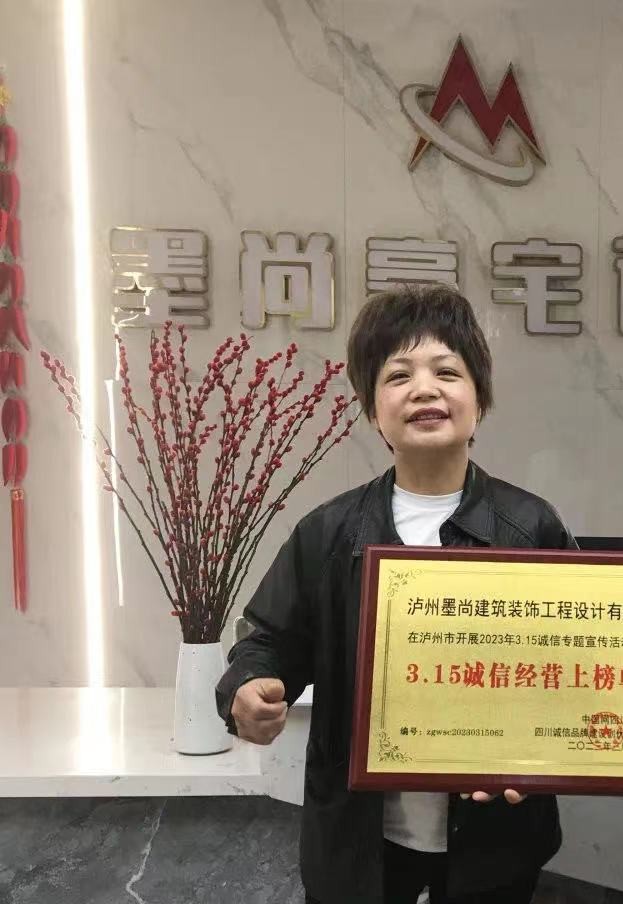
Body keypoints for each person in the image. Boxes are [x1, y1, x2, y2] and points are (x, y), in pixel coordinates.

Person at [216, 284, 577, 904]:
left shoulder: (531, 526)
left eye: (447, 372)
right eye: (398, 375)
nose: (424, 389)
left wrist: (541, 756)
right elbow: (267, 641)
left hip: (495, 839)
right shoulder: (327, 533)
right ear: (371, 409)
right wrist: (248, 687)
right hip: (359, 841)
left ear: (480, 399)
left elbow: (576, 665)